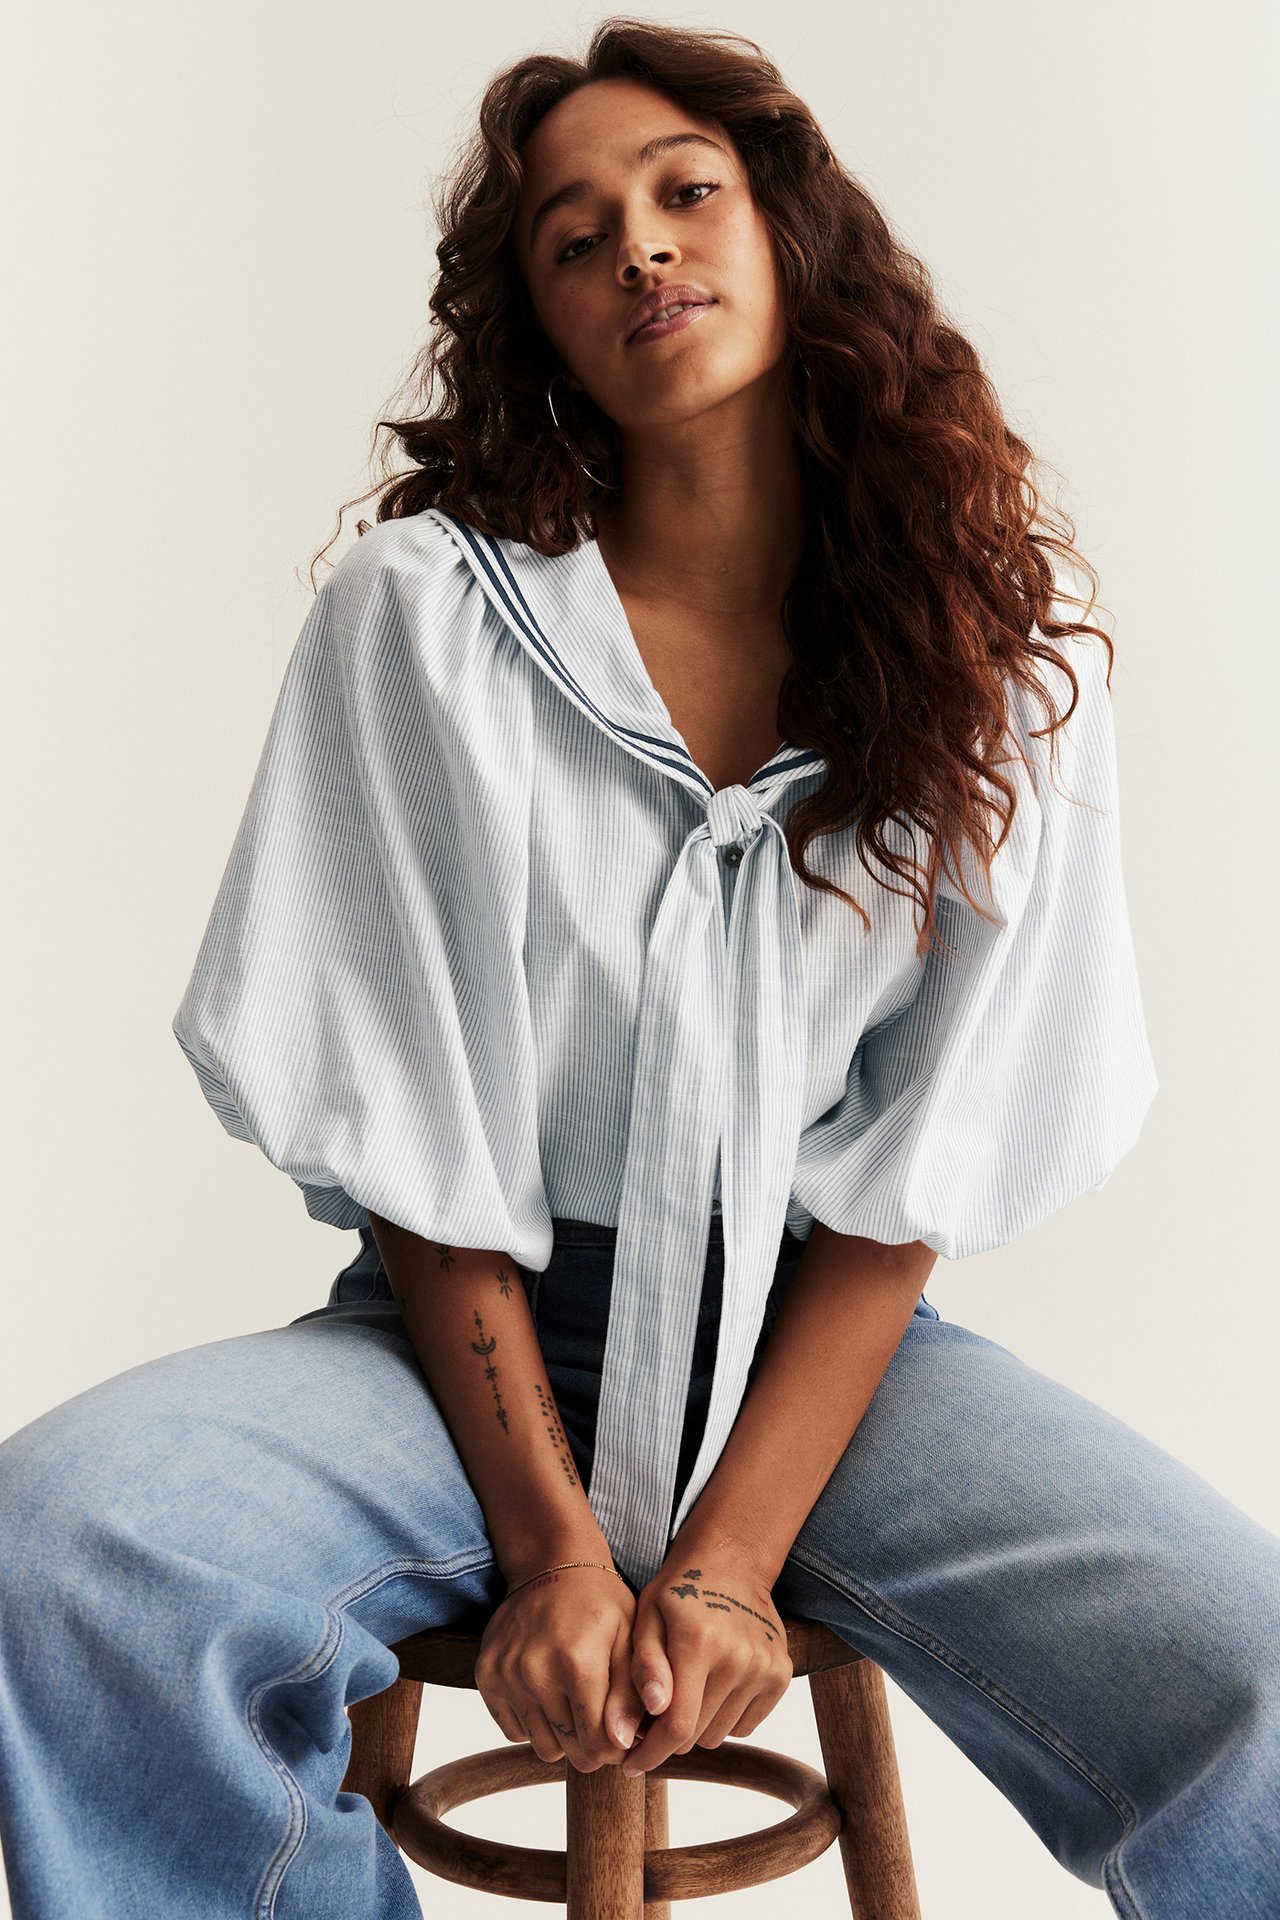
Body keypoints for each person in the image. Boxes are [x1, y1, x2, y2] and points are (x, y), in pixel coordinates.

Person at [2, 18, 1277, 1920]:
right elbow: (414, 1131)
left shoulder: (1004, 655)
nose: (643, 251)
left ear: (791, 233)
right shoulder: (427, 626)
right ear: (539, 320)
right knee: (65, 1549)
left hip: (823, 1360)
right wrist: (554, 1552)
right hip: (466, 1346)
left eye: (688, 194)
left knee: (1253, 1670)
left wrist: (726, 1563)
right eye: (576, 238)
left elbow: (919, 1174)